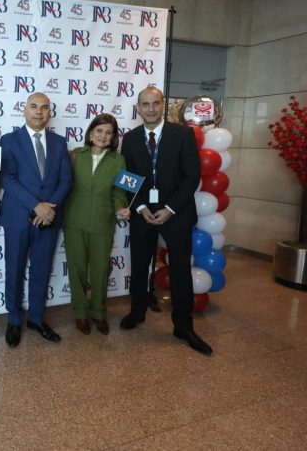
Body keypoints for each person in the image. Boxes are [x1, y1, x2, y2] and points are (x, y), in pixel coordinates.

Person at [119, 86, 212, 355]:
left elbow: (192, 176)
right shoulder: (130, 139)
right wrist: (141, 207)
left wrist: (170, 208)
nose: (150, 109)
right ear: (138, 108)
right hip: (143, 213)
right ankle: (137, 312)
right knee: (139, 267)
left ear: (163, 105)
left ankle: (183, 326)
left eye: (155, 103)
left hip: (177, 212)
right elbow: (128, 178)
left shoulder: (183, 135)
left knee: (180, 270)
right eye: (145, 104)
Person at [0, 92, 72, 347]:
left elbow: (66, 181)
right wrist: (36, 206)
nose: (39, 111)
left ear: (50, 112)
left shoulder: (59, 142)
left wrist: (48, 209)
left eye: (44, 107)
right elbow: (7, 179)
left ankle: (37, 319)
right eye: (34, 106)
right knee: (14, 270)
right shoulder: (9, 140)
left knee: (41, 270)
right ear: (24, 110)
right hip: (18, 218)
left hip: (49, 218)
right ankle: (14, 319)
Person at [63, 114, 130, 336]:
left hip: (103, 221)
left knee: (100, 270)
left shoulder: (118, 160)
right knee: (77, 270)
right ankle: (80, 313)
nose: (103, 136)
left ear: (113, 137)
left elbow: (119, 191)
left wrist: (120, 208)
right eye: (99, 131)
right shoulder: (76, 155)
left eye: (108, 132)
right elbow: (64, 185)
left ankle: (99, 313)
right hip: (75, 220)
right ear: (91, 133)